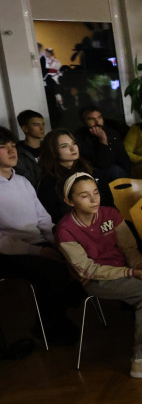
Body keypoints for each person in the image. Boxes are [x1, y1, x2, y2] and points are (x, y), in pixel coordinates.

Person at [55, 173, 142, 379]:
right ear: (69, 201)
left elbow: (128, 247)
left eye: (96, 193)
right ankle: (140, 360)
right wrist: (131, 272)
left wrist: (139, 265)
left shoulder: (110, 213)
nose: (94, 200)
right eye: (84, 196)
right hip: (97, 279)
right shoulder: (65, 230)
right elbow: (87, 269)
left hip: (128, 267)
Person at [0, 127, 82, 345]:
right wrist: (40, 251)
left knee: (81, 258)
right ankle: (49, 326)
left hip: (39, 243)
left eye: (13, 146)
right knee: (54, 271)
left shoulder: (22, 182)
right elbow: (2, 240)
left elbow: (44, 219)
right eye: (3, 147)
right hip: (10, 252)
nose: (12, 151)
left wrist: (59, 243)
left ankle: (54, 316)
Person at [37, 129, 112, 223]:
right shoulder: (48, 181)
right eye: (64, 146)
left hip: (103, 222)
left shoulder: (92, 171)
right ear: (53, 151)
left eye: (74, 143)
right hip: (72, 228)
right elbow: (54, 216)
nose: (73, 148)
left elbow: (109, 203)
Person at [75, 107, 131, 182]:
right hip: (96, 175)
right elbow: (102, 165)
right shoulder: (80, 138)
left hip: (119, 174)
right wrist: (103, 140)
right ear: (83, 122)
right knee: (114, 170)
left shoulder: (112, 133)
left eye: (99, 117)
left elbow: (124, 159)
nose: (97, 122)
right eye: (91, 119)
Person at [14, 110, 46, 187]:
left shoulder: (49, 147)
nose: (42, 128)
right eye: (36, 125)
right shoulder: (17, 153)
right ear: (25, 128)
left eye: (43, 124)